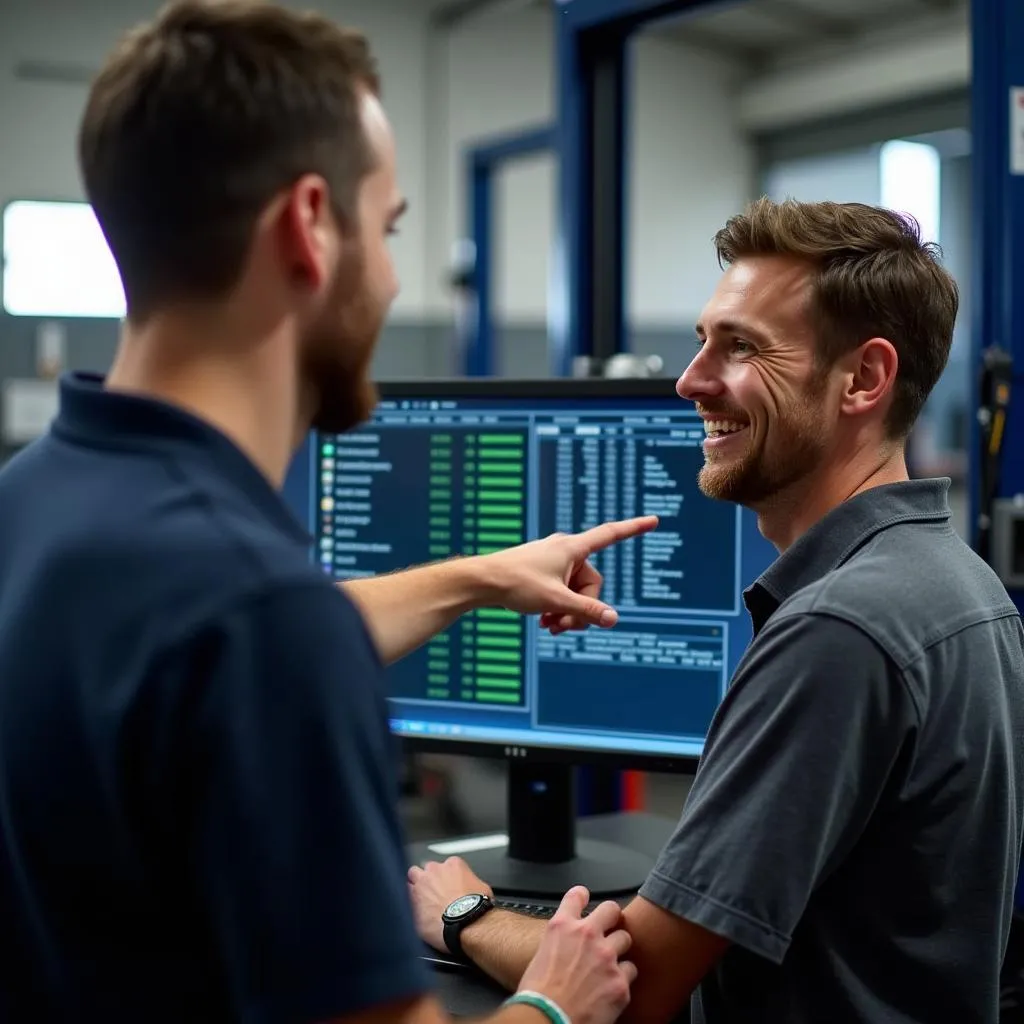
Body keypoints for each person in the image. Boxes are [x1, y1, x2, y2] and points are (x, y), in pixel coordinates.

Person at [0, 2, 651, 1022]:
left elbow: (194, 656)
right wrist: (554, 1002)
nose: (392, 280)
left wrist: (484, 575)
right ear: (309, 226)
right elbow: (258, 635)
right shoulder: (256, 617)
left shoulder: (35, 501)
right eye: (387, 230)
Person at [409, 198, 1024, 1023]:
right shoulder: (958, 582)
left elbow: (633, 990)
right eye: (703, 340)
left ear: (865, 379)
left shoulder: (839, 630)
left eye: (741, 348)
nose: (690, 380)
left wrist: (465, 916)